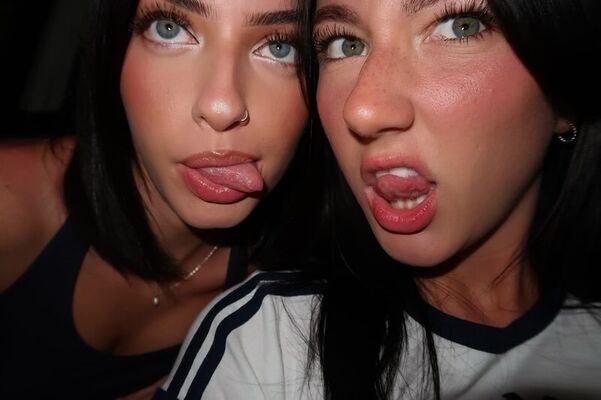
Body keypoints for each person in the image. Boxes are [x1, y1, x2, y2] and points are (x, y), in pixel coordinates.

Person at [155, 0, 601, 399]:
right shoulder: (265, 343)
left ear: (564, 94)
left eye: (458, 26)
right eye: (345, 44)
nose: (362, 109)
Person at [0, 0, 319, 398]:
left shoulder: (282, 308)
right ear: (113, 51)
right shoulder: (10, 203)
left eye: (280, 47)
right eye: (170, 28)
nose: (221, 107)